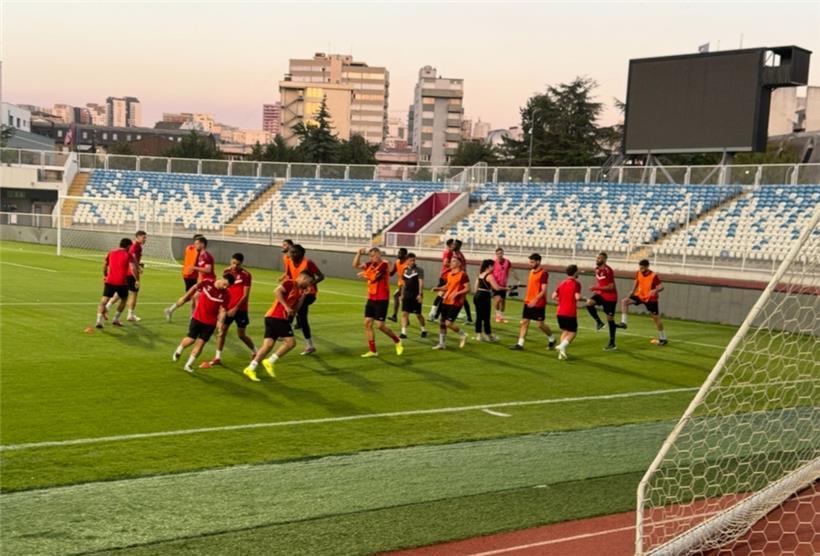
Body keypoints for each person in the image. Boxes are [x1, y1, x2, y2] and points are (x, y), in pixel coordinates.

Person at [242, 271, 315, 382]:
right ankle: (270, 361)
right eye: (309, 282)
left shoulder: (300, 291)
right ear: (303, 278)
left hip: (273, 317)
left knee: (268, 345)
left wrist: (304, 296)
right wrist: (286, 307)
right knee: (291, 343)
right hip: (277, 316)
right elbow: (276, 291)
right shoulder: (290, 283)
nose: (309, 285)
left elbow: (296, 309)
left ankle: (250, 368)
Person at [170, 274, 235, 373]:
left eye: (228, 286)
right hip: (198, 318)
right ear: (222, 279)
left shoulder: (227, 294)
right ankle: (179, 349)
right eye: (225, 284)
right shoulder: (207, 282)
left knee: (201, 344)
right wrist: (184, 298)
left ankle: (188, 365)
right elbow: (194, 288)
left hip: (210, 323)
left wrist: (220, 324)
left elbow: (223, 310)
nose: (225, 287)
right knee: (191, 340)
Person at [201, 253, 257, 367]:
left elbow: (245, 296)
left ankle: (256, 352)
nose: (235, 266)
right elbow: (223, 289)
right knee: (221, 332)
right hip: (227, 308)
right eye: (233, 263)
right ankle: (217, 357)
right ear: (231, 261)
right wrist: (221, 306)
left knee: (241, 335)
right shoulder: (226, 271)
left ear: (241, 264)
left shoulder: (246, 275)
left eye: (238, 264)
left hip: (241, 309)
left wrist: (235, 308)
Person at [353, 247, 404, 357]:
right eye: (370, 256)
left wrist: (364, 274)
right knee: (367, 323)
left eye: (374, 255)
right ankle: (373, 351)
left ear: (379, 254)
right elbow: (355, 265)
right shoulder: (370, 264)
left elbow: (375, 277)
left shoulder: (384, 264)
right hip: (371, 297)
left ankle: (397, 340)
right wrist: (359, 253)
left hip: (382, 298)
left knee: (380, 325)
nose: (372, 258)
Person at [283, 244, 324, 354]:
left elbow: (321, 276)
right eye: (291, 252)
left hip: (309, 293)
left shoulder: (308, 263)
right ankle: (309, 345)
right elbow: (289, 277)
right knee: (300, 316)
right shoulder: (289, 262)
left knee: (299, 313)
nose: (291, 254)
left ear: (301, 253)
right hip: (297, 293)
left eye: (294, 252)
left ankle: (285, 331)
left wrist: (309, 284)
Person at [510, 253, 556, 350]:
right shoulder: (531, 271)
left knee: (540, 324)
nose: (530, 264)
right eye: (530, 262)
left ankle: (552, 338)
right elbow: (533, 285)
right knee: (524, 322)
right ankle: (520, 344)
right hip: (528, 301)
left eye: (532, 262)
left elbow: (543, 290)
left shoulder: (543, 273)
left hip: (538, 303)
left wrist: (535, 300)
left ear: (538, 262)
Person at [617, 259, 667, 345]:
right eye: (640, 267)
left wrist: (655, 290)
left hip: (650, 299)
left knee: (656, 319)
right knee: (624, 301)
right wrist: (632, 291)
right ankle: (624, 323)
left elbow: (661, 287)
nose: (641, 269)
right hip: (640, 296)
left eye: (643, 268)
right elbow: (637, 281)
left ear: (647, 267)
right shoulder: (638, 272)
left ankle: (663, 338)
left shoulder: (653, 275)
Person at [95, 237, 139, 329]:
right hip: (122, 282)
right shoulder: (128, 255)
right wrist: (137, 279)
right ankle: (116, 319)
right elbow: (133, 268)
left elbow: (105, 265)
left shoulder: (111, 252)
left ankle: (99, 320)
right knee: (124, 300)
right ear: (128, 246)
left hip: (110, 281)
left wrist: (105, 275)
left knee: (104, 301)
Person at [105, 230, 146, 321]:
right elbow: (133, 260)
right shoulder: (135, 246)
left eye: (145, 238)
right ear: (137, 237)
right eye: (143, 237)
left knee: (120, 294)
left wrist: (139, 265)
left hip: (126, 273)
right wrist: (138, 269)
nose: (145, 239)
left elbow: (133, 259)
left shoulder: (135, 246)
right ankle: (130, 315)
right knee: (134, 293)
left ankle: (107, 307)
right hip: (131, 273)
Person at [431, 257, 470, 350]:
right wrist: (438, 288)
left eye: (454, 261)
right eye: (451, 261)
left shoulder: (463, 275)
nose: (451, 263)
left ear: (459, 264)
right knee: (442, 323)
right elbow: (447, 287)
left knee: (448, 323)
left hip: (456, 302)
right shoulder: (449, 274)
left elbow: (468, 288)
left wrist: (458, 293)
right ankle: (441, 344)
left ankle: (463, 334)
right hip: (446, 300)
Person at [585, 252, 619, 351]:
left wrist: (596, 288)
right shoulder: (597, 269)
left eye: (599, 258)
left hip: (610, 298)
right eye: (597, 258)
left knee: (610, 320)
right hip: (601, 294)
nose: (597, 259)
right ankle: (599, 322)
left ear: (604, 259)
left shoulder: (608, 270)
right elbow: (601, 282)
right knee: (589, 303)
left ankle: (612, 343)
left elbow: (611, 287)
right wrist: (597, 289)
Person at [553, 264, 583, 360]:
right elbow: (577, 297)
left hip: (560, 312)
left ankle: (561, 354)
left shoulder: (562, 283)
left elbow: (553, 296)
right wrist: (585, 299)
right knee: (573, 333)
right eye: (577, 271)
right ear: (575, 272)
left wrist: (562, 300)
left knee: (565, 331)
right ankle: (561, 346)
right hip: (570, 312)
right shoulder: (576, 284)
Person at [399, 253, 427, 339]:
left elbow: (421, 282)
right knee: (404, 313)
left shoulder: (419, 270)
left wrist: (420, 294)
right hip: (407, 294)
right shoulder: (404, 270)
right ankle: (403, 332)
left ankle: (423, 330)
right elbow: (404, 284)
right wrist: (402, 294)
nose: (413, 262)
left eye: (414, 260)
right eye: (411, 260)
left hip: (416, 295)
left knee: (418, 314)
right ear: (406, 261)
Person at [473, 259, 502, 342]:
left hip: (477, 295)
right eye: (493, 266)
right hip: (484, 296)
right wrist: (506, 288)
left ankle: (479, 335)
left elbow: (475, 288)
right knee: (486, 317)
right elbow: (497, 288)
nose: (494, 268)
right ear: (489, 266)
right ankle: (488, 335)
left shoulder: (480, 274)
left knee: (479, 316)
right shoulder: (489, 276)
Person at [428, 239, 455, 320]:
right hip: (445, 277)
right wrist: (454, 266)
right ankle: (433, 314)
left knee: (443, 297)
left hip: (446, 276)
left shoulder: (449, 252)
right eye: (453, 244)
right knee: (441, 296)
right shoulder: (449, 252)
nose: (454, 245)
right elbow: (445, 263)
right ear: (450, 245)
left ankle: (436, 315)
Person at [492, 247, 519, 323]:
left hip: (504, 285)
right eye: (498, 254)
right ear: (496, 254)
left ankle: (501, 317)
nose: (500, 255)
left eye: (501, 253)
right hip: (496, 284)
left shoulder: (507, 262)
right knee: (498, 300)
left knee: (503, 302)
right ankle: (497, 316)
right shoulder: (493, 262)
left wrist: (517, 279)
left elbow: (512, 270)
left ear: (503, 253)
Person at [451, 239, 473, 324]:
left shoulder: (458, 256)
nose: (453, 246)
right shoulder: (456, 254)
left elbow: (461, 268)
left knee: (462, 298)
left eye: (455, 245)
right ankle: (468, 317)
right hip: (458, 277)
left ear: (459, 246)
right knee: (460, 298)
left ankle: (468, 318)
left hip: (460, 278)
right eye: (453, 244)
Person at [388, 248, 409, 322]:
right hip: (401, 285)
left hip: (406, 285)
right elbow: (391, 273)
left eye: (400, 253)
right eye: (398, 253)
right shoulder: (397, 262)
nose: (398, 254)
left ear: (405, 255)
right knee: (396, 296)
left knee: (402, 300)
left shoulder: (407, 264)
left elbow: (407, 278)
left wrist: (404, 288)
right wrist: (388, 267)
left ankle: (403, 318)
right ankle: (396, 316)